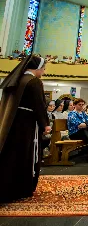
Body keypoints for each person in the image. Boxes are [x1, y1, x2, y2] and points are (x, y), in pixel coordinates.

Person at [0, 55, 51, 202]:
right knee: (25, 153)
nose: (44, 71)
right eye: (43, 68)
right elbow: (39, 105)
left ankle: (7, 187)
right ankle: (22, 187)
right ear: (37, 68)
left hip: (13, 122)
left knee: (12, 152)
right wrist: (45, 124)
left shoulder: (17, 80)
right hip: (27, 124)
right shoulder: (34, 82)